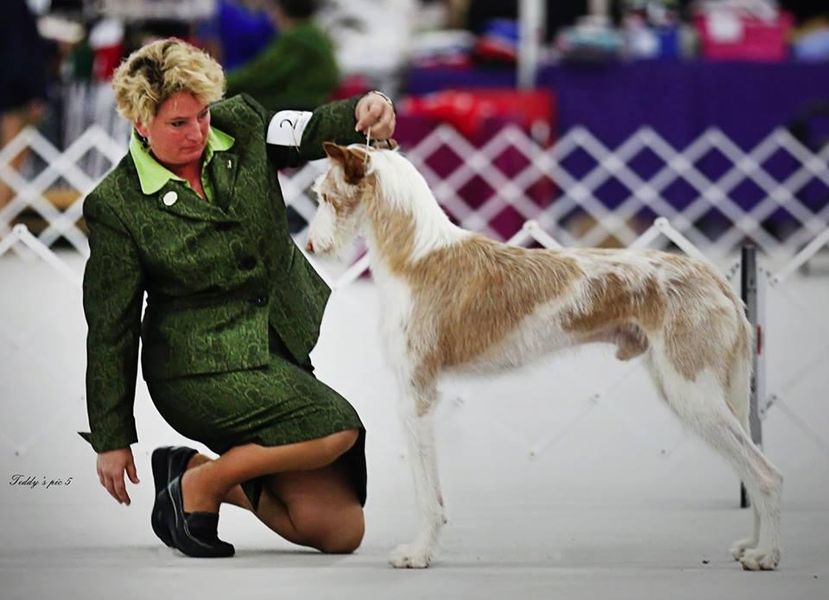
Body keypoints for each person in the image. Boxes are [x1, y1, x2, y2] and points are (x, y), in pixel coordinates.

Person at [79, 37, 396, 558]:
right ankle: (199, 490)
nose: (197, 132)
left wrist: (365, 109)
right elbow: (111, 326)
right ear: (141, 123)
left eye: (202, 115)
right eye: (177, 123)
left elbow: (308, 130)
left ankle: (195, 472)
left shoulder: (242, 122)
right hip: (195, 371)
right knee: (337, 426)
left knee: (339, 530)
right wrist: (111, 437)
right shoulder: (117, 205)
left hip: (274, 348)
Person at [225, 0, 339, 111]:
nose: (269, 17)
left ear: (282, 9)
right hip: (312, 103)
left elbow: (261, 74)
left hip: (299, 106)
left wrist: (222, 83)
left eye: (272, 8)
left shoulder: (298, 38)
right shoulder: (312, 32)